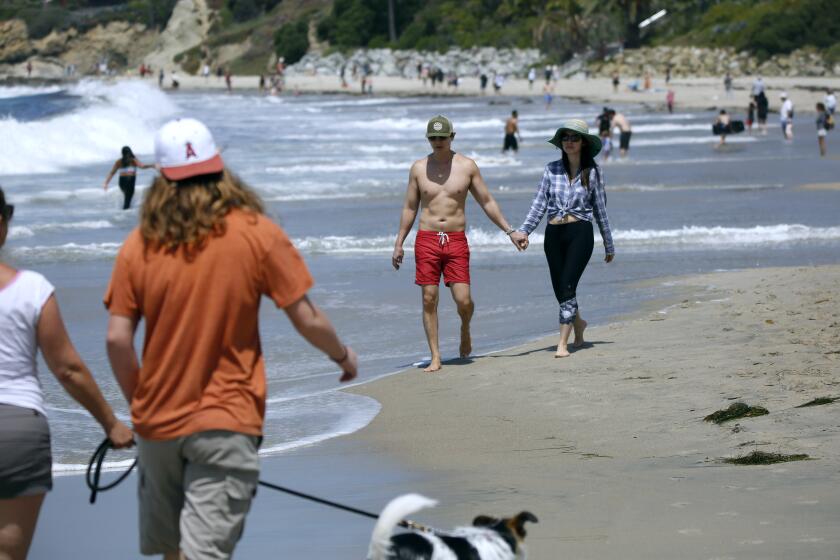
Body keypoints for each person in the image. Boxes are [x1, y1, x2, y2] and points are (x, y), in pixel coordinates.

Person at [104, 118, 358, 560]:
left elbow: (117, 341)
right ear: (220, 168)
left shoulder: (139, 244)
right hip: (227, 418)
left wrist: (140, 403)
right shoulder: (255, 232)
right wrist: (342, 356)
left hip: (158, 426)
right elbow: (306, 318)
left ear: (161, 177)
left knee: (176, 553)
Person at [0, 187, 133, 560]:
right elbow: (67, 369)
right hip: (16, 433)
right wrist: (111, 425)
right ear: (2, 225)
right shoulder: (31, 289)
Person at [391, 115, 521, 373]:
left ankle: (465, 328)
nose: (438, 141)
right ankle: (435, 356)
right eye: (433, 137)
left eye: (442, 137)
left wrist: (510, 231)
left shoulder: (467, 166)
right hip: (427, 239)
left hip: (455, 240)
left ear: (452, 136)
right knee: (429, 298)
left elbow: (487, 202)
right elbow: (409, 207)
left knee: (463, 301)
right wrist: (398, 243)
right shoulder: (418, 168)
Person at [509, 119, 614, 358]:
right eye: (565, 137)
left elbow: (600, 210)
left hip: (581, 233)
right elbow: (539, 205)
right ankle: (579, 324)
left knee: (567, 284)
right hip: (554, 235)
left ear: (584, 143)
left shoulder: (594, 173)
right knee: (560, 288)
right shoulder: (551, 169)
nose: (568, 142)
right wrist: (524, 231)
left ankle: (562, 344)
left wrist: (608, 243)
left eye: (574, 138)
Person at [103, 146, 155, 210]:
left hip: (122, 183)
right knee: (127, 201)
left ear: (122, 153)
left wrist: (106, 183)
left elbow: (112, 173)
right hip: (130, 182)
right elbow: (142, 166)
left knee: (127, 200)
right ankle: (124, 214)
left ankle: (124, 213)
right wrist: (152, 165)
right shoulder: (133, 160)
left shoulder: (119, 162)